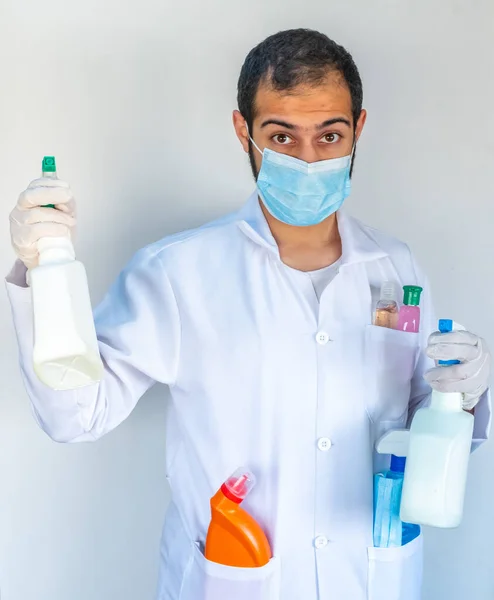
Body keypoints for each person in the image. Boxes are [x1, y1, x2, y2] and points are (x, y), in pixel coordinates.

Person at [6, 29, 491, 600]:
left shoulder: (398, 268)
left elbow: (422, 426)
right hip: (235, 583)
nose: (308, 160)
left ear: (358, 129)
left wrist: (462, 397)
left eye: (329, 135)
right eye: (282, 136)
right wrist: (43, 275)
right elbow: (75, 418)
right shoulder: (177, 272)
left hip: (372, 578)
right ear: (244, 132)